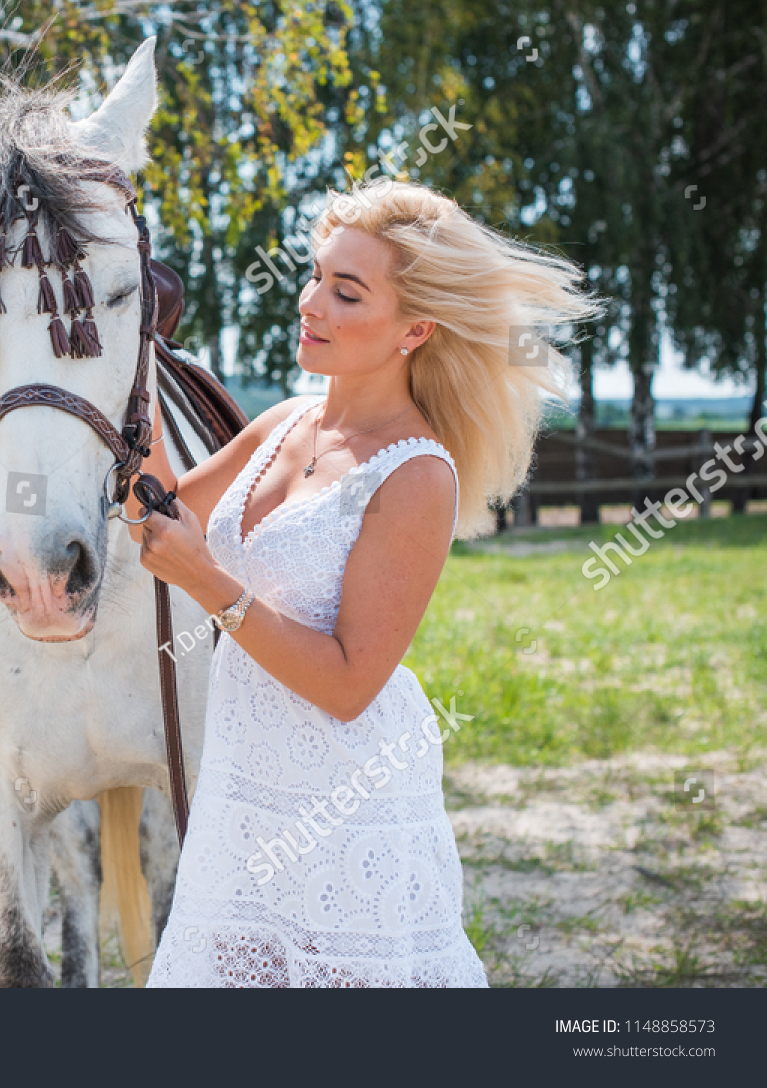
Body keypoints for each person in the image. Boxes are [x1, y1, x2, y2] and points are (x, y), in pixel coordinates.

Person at [131, 178, 599, 987]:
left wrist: (209, 583)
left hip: (344, 802)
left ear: (416, 327)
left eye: (346, 292)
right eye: (316, 276)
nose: (310, 302)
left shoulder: (417, 473)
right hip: (245, 787)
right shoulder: (285, 422)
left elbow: (349, 683)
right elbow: (159, 513)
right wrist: (122, 364)